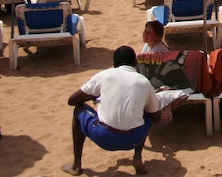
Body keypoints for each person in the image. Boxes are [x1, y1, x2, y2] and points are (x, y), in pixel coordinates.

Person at [64, 46, 160, 176]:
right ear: (135, 63)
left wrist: (94, 95)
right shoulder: (144, 82)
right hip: (134, 139)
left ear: (114, 64)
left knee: (78, 109)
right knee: (146, 113)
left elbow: (72, 100)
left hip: (104, 137)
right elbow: (156, 118)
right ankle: (137, 157)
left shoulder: (104, 75)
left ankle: (76, 165)